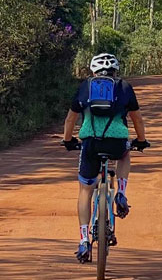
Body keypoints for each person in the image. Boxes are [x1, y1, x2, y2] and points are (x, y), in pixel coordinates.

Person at [62, 53, 150, 262]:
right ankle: (121, 192)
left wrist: (68, 140)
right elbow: (136, 118)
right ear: (115, 70)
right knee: (125, 153)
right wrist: (141, 140)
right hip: (117, 142)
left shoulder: (85, 87)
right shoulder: (124, 86)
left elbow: (70, 119)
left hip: (90, 143)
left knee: (85, 190)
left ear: (93, 70)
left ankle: (84, 240)